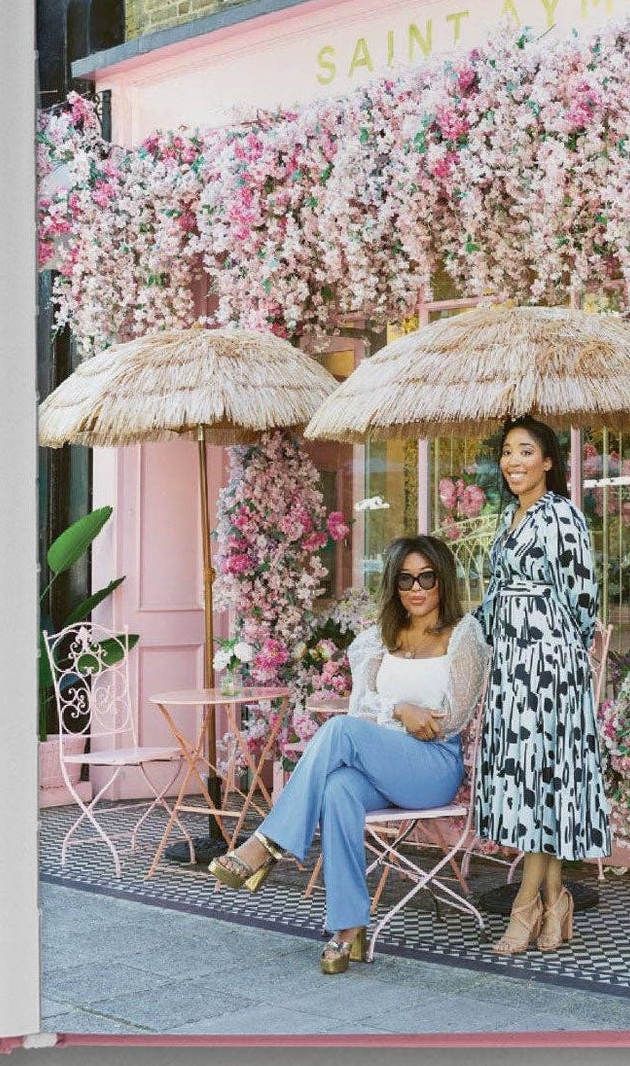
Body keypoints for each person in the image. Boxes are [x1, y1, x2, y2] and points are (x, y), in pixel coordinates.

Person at [209, 536, 488, 972]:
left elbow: (449, 719)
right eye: (405, 579)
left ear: (443, 581)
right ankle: (348, 928)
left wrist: (400, 717)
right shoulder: (379, 639)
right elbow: (363, 709)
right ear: (394, 585)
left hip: (433, 766)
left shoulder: (464, 636)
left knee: (340, 731)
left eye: (427, 577)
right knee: (339, 788)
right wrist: (401, 708)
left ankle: (267, 843)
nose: (417, 588)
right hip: (383, 766)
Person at [473, 415, 608, 956]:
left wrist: (551, 650)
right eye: (507, 451)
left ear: (548, 462)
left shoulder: (562, 517)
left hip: (551, 669)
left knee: (541, 781)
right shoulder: (508, 517)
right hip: (511, 668)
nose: (513, 461)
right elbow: (497, 595)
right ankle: (557, 903)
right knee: (538, 787)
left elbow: (583, 599)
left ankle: (525, 907)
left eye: (525, 451)